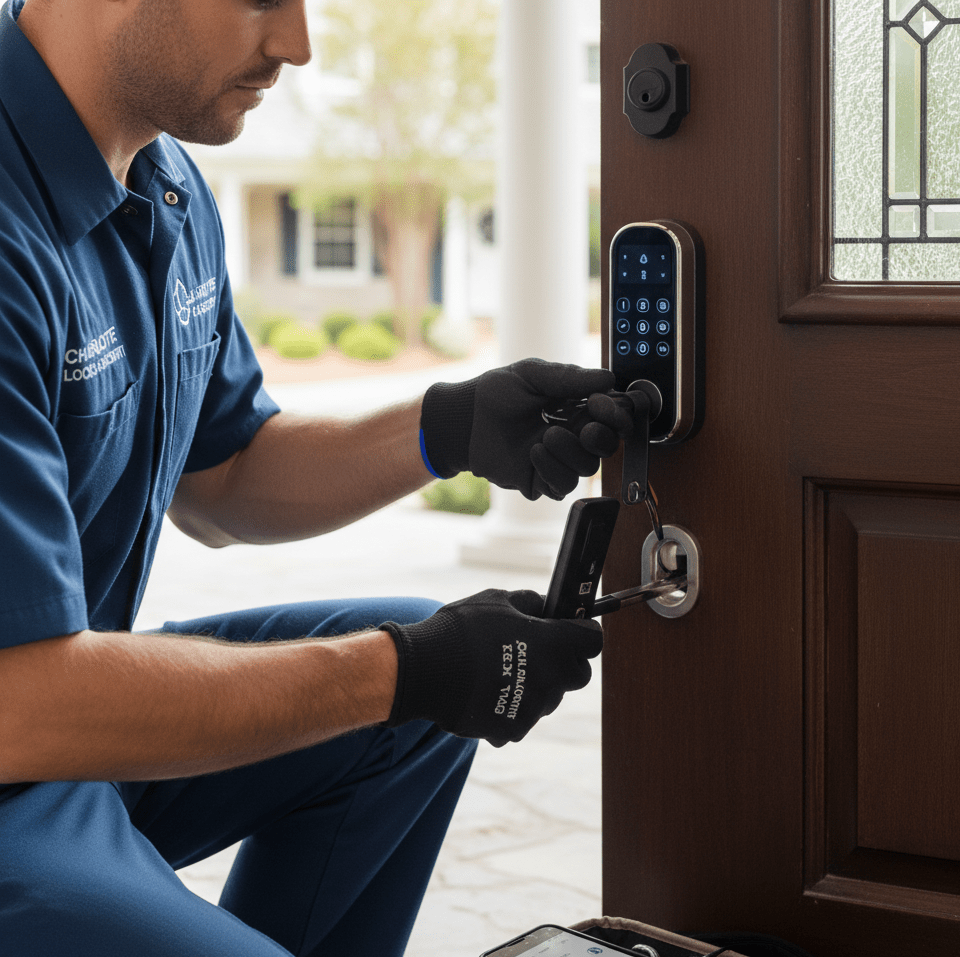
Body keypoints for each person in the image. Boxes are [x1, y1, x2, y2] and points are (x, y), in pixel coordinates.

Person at [0, 0, 633, 954]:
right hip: (28, 735)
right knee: (406, 676)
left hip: (67, 736)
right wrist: (406, 668)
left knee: (411, 715)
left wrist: (448, 427)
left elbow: (225, 475)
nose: (298, 43)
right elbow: (26, 703)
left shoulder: (165, 186)